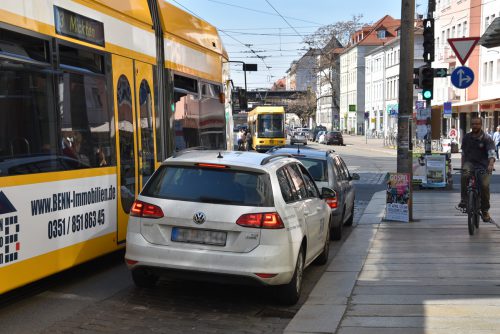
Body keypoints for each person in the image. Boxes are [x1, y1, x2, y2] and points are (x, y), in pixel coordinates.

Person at [458, 117, 496, 222]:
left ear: (481, 125)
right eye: (473, 124)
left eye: (477, 124)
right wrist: (462, 165)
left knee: (484, 185)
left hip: (483, 165)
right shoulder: (466, 137)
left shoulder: (486, 138)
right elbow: (463, 153)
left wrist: (491, 164)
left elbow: (492, 153)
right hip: (469, 164)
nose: (475, 126)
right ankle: (464, 200)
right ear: (471, 125)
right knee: (464, 175)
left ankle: (484, 210)